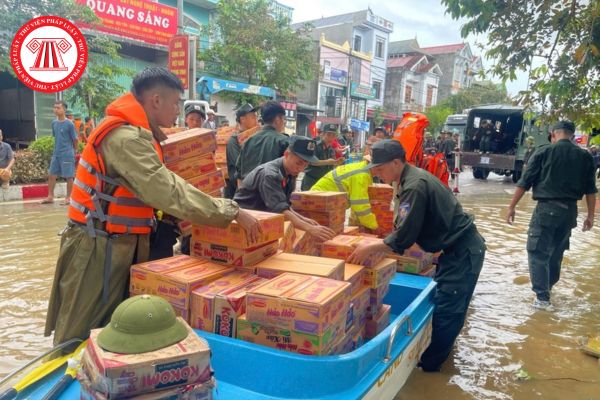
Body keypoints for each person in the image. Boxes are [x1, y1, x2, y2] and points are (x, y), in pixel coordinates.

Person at [44, 67, 262, 345]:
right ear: (156, 100)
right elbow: (166, 190)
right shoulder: (126, 139)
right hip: (97, 248)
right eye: (175, 104)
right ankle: (69, 381)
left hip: (120, 243)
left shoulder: (141, 135)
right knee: (82, 333)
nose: (177, 113)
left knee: (122, 329)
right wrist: (231, 211)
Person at [347, 139, 486, 372]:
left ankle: (430, 370)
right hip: (454, 249)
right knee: (447, 304)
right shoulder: (407, 180)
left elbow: (402, 238)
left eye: (379, 169)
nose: (376, 174)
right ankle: (438, 357)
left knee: (448, 311)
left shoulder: (414, 185)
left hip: (463, 252)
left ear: (395, 162)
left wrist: (368, 248)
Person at [506, 121, 596, 310]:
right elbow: (590, 190)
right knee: (556, 254)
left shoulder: (543, 152)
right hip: (569, 213)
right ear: (571, 135)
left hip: (546, 210)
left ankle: (542, 299)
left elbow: (525, 182)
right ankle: (548, 289)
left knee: (537, 252)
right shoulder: (585, 156)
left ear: (553, 135)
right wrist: (590, 217)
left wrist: (511, 207)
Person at [234, 136, 336, 242]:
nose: (301, 169)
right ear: (286, 154)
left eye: (305, 165)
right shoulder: (270, 175)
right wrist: (309, 228)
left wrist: (304, 220)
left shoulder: (290, 172)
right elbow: (280, 210)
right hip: (243, 223)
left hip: (261, 220)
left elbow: (284, 205)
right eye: (298, 163)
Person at [310, 159, 379, 232]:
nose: (381, 175)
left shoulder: (362, 168)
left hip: (321, 199)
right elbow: (360, 207)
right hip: (320, 201)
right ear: (376, 166)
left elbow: (357, 204)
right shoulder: (362, 176)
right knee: (324, 235)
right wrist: (375, 226)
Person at [236, 101, 290, 181]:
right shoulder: (283, 141)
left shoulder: (248, 141)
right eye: (283, 118)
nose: (284, 122)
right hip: (272, 191)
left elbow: (239, 171)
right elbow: (290, 170)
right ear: (278, 119)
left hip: (248, 191)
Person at [41, 101, 78, 205]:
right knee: (51, 175)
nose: (55, 110)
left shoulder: (70, 124)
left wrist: (74, 151)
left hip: (67, 154)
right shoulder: (54, 123)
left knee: (69, 176)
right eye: (54, 108)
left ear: (64, 110)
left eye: (58, 108)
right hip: (56, 154)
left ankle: (68, 198)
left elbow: (75, 139)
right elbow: (55, 137)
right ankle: (50, 196)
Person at [225, 103, 258, 199]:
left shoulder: (255, 138)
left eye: (256, 117)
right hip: (236, 193)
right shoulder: (234, 141)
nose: (256, 120)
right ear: (243, 119)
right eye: (252, 117)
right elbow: (238, 167)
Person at [301, 124, 341, 191]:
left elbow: (332, 165)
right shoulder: (315, 145)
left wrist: (336, 163)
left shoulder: (331, 150)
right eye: (328, 135)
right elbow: (311, 162)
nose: (331, 138)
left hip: (323, 181)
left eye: (333, 135)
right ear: (322, 134)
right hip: (311, 180)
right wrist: (328, 162)